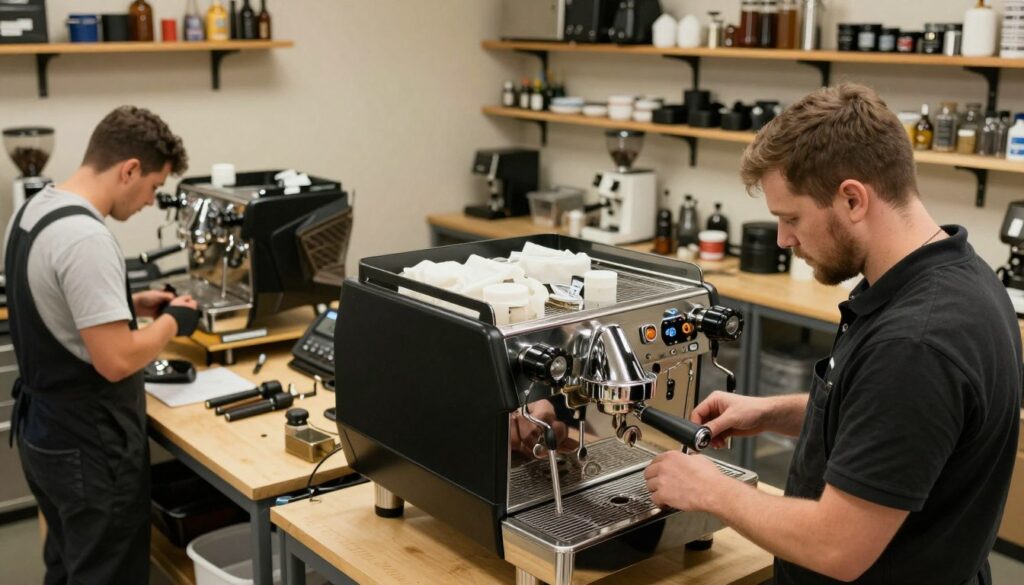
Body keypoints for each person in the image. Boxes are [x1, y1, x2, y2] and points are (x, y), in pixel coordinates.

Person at [644, 84, 1021, 584]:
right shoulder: (959, 275)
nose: (784, 239)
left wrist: (709, 490)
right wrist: (774, 412)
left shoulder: (915, 342)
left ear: (852, 198)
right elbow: (898, 425)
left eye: (791, 217)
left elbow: (837, 545)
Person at [3, 106, 200, 584]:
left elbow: (51, 299)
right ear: (129, 168)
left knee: (69, 567)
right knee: (107, 575)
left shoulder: (34, 209)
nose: (152, 201)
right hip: (87, 443)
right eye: (154, 186)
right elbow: (115, 361)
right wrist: (175, 321)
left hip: (42, 433)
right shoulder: (85, 237)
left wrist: (131, 303)